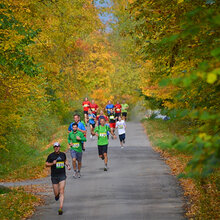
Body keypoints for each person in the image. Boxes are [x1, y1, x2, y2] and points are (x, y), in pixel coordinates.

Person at [46, 142, 71, 215]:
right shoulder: (51, 156)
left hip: (62, 175)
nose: (56, 148)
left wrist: (68, 165)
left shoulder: (63, 154)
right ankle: (57, 195)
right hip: (54, 176)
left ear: (60, 147)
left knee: (62, 191)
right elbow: (46, 164)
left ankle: (60, 208)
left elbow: (65, 160)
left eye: (57, 146)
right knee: (56, 193)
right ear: (54, 148)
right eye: (55, 147)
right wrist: (52, 163)